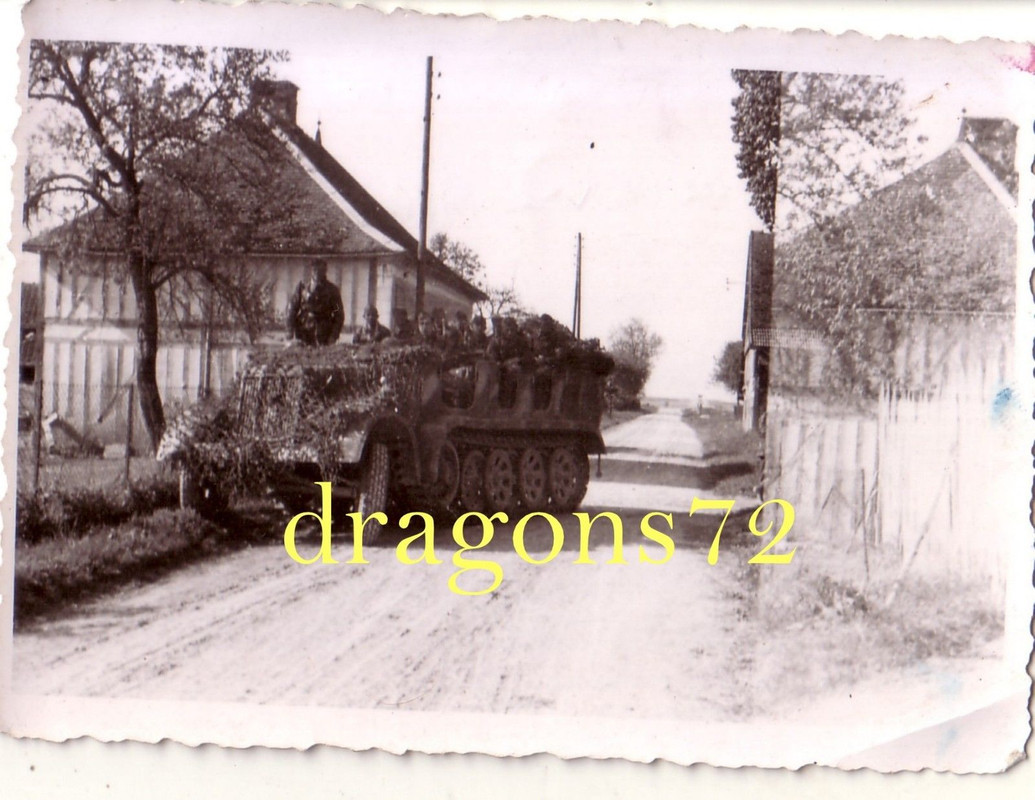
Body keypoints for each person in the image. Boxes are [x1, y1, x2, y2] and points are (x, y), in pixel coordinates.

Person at [286, 259, 344, 346]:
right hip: (303, 332)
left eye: (321, 270)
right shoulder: (302, 288)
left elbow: (338, 314)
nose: (317, 273)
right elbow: (291, 310)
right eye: (315, 269)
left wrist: (334, 336)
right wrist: (290, 331)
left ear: (325, 271)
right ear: (312, 271)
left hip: (324, 334)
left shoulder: (332, 291)